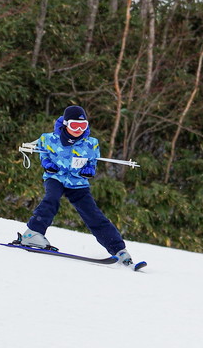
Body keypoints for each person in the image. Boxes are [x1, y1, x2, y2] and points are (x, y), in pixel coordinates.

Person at [17, 105, 138, 268]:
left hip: (78, 183)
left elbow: (93, 160)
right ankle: (32, 233)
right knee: (51, 199)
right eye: (75, 125)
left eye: (83, 126)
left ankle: (119, 250)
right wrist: (46, 163)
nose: (79, 130)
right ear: (66, 124)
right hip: (56, 177)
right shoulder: (49, 138)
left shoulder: (91, 143)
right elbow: (42, 151)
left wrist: (90, 169)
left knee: (93, 214)